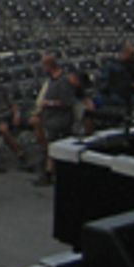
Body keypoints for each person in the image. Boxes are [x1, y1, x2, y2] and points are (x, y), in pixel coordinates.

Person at [31, 54, 78, 186]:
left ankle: (48, 174)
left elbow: (66, 102)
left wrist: (48, 103)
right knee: (48, 144)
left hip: (59, 120)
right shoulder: (51, 80)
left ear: (49, 66)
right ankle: (48, 172)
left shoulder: (63, 81)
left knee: (52, 146)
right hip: (49, 118)